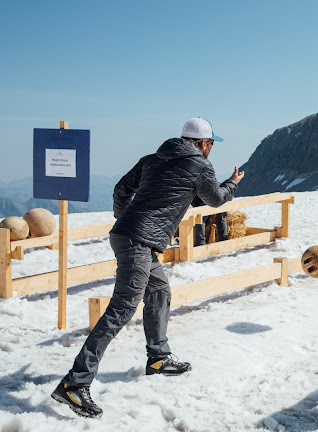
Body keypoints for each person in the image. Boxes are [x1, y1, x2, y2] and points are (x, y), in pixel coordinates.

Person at [51, 118, 244, 419]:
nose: (211, 149)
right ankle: (75, 384)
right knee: (121, 310)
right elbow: (215, 199)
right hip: (138, 241)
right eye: (211, 144)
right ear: (203, 144)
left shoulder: (152, 159)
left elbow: (120, 191)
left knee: (158, 292)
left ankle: (158, 357)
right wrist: (233, 182)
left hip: (130, 236)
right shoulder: (200, 166)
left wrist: (125, 221)